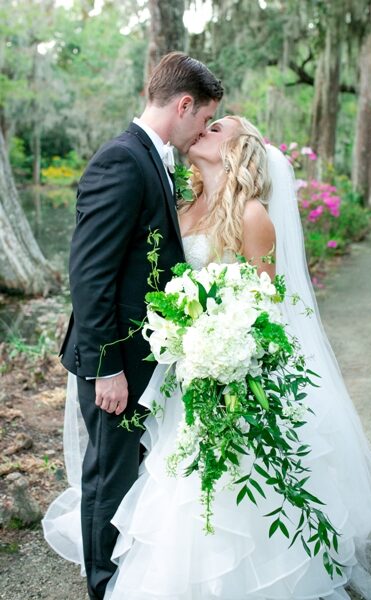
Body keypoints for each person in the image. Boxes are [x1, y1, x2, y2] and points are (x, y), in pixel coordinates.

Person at [45, 115, 371, 599]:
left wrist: (222, 350)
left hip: (224, 372)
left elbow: (265, 312)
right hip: (178, 369)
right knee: (168, 476)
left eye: (217, 127)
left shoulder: (253, 218)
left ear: (238, 150)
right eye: (206, 121)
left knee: (223, 486)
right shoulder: (180, 205)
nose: (205, 128)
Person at [43, 52, 223, 600]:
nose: (202, 131)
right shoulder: (121, 160)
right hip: (115, 359)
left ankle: (122, 569)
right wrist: (107, 369)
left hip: (143, 355)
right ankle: (102, 584)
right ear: (184, 104)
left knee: (131, 468)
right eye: (204, 118)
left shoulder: (151, 156)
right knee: (109, 475)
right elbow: (90, 273)